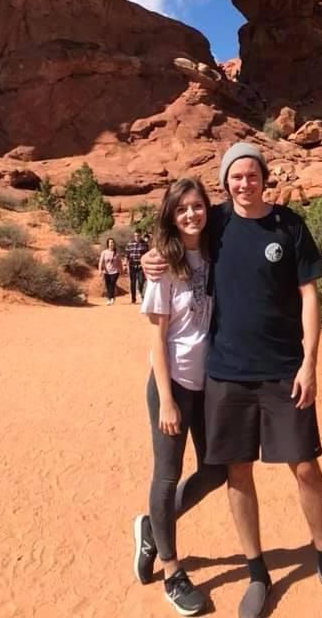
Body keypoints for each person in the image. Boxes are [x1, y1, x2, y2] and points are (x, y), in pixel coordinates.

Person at [142, 143, 322, 618]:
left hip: (284, 370)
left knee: (305, 467)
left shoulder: (289, 225)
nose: (244, 183)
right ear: (225, 182)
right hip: (225, 375)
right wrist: (151, 260)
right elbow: (176, 235)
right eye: (235, 177)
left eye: (251, 175)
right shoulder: (215, 222)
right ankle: (256, 572)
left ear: (264, 177)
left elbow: (309, 295)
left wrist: (309, 364)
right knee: (237, 474)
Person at [134, 177, 227, 616]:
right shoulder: (165, 265)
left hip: (210, 384)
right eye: (182, 208)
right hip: (172, 385)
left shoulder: (215, 252)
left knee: (215, 470)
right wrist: (167, 399)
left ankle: (152, 527)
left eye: (197, 206)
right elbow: (157, 338)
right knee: (167, 474)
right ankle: (171, 570)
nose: (191, 214)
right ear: (171, 215)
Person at [125, 229, 148, 304]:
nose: (136, 237)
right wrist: (125, 265)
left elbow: (147, 255)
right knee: (133, 282)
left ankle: (142, 295)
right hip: (132, 265)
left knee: (141, 282)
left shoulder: (144, 244)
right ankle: (133, 298)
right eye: (135, 236)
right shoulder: (130, 244)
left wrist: (145, 264)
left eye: (138, 236)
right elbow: (127, 255)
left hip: (141, 266)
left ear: (140, 235)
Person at [97, 237, 122, 305]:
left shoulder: (116, 253)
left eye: (112, 242)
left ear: (114, 244)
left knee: (112, 283)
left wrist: (121, 270)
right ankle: (111, 297)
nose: (111, 243)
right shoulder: (104, 252)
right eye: (110, 242)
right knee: (108, 285)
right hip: (106, 271)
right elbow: (101, 262)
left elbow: (120, 262)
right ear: (108, 244)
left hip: (115, 271)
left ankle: (109, 298)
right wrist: (100, 270)